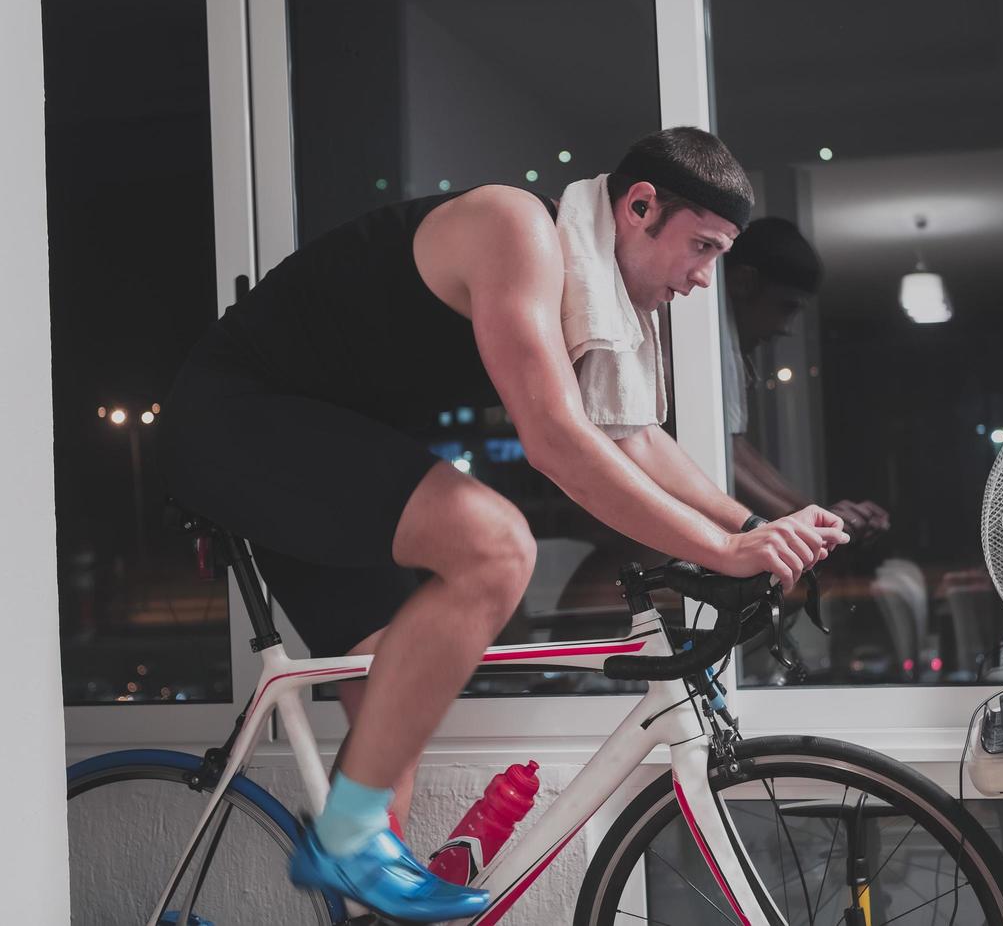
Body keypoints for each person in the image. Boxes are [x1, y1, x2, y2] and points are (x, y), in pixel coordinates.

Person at [159, 127, 850, 921]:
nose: (703, 279)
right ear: (638, 207)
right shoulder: (513, 229)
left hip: (326, 447)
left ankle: (356, 867)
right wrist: (726, 550)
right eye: (700, 247)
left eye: (719, 256)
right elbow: (558, 442)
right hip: (235, 419)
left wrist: (762, 526)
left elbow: (629, 437)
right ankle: (346, 839)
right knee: (496, 545)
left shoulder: (600, 298)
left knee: (391, 717)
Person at [721, 216, 890, 543]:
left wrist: (810, 511)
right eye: (785, 307)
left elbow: (735, 448)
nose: (786, 328)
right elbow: (723, 459)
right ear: (743, 282)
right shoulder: (706, 342)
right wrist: (797, 518)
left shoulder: (728, 348)